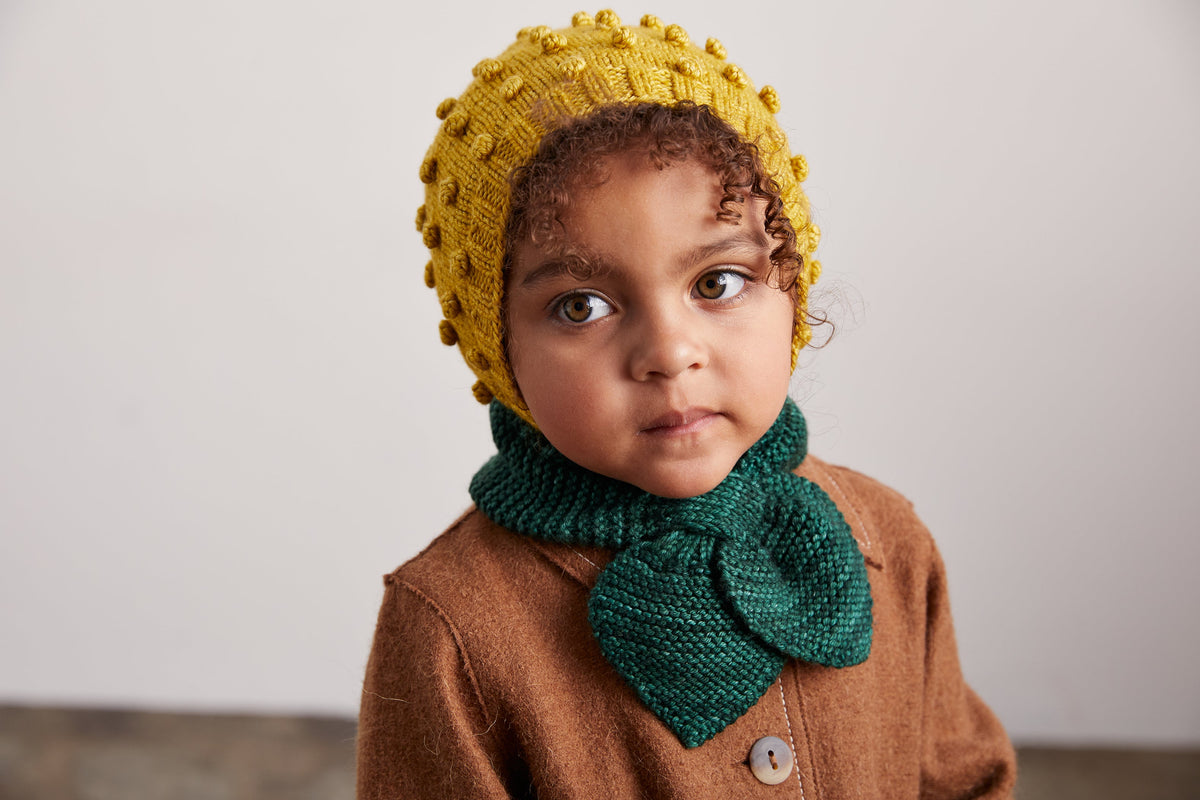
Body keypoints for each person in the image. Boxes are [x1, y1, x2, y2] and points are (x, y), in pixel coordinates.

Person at [357, 10, 1016, 799]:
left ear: (791, 290)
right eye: (581, 306)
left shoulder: (888, 539)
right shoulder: (450, 626)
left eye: (717, 282)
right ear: (497, 349)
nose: (670, 354)